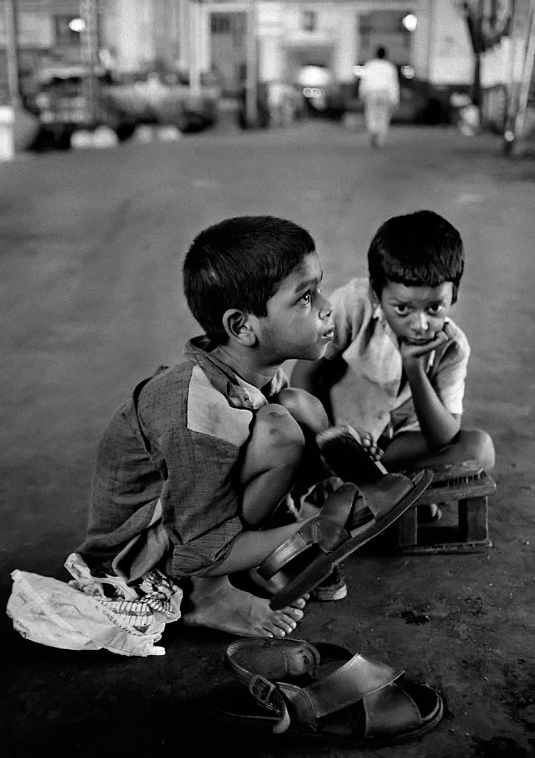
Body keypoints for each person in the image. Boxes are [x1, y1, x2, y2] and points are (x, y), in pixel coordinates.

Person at [76, 215, 428, 639]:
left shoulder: (253, 370)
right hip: (152, 542)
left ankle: (284, 538)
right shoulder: (197, 415)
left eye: (318, 288)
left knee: (292, 408)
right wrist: (309, 531)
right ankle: (212, 598)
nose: (326, 306)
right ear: (242, 327)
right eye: (304, 297)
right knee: (280, 427)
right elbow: (199, 550)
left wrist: (330, 453)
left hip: (204, 503)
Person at [292, 211, 495, 505]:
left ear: (454, 294)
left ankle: (367, 489)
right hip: (344, 431)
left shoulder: (453, 347)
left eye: (435, 308)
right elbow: (307, 374)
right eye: (402, 309)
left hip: (399, 449)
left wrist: (414, 366)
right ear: (376, 294)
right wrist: (323, 440)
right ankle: (384, 491)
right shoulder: (353, 304)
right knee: (292, 409)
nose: (421, 324)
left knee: (480, 449)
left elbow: (443, 437)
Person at [358, 46, 400, 148]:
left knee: (371, 114)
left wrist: (362, 93)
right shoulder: (390, 67)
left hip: (371, 93)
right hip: (384, 94)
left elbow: (364, 81)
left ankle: (373, 130)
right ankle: (380, 138)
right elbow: (393, 84)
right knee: (383, 116)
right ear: (385, 55)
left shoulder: (369, 65)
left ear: (375, 54)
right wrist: (395, 99)